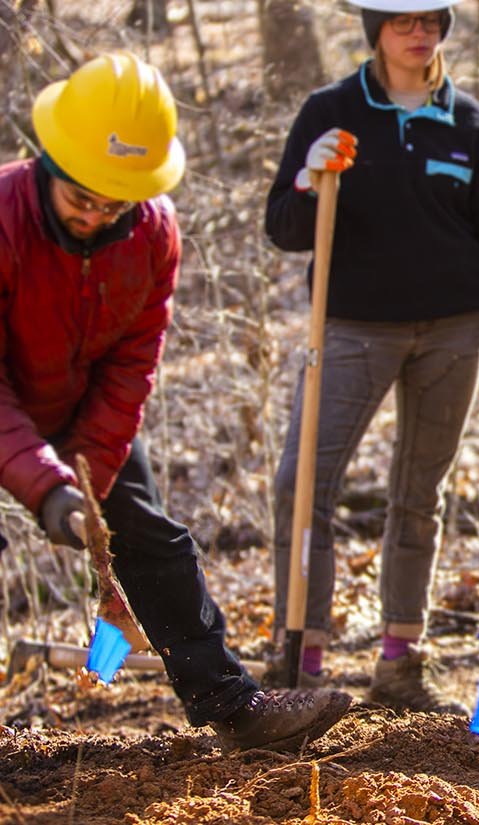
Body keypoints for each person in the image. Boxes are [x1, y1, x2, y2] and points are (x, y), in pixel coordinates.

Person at [0, 52, 351, 751]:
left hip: (78, 404)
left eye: (114, 201)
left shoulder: (155, 233)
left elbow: (132, 365)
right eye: (81, 198)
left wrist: (88, 488)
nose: (98, 216)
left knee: (154, 539)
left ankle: (235, 706)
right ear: (49, 161)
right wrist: (46, 488)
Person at [264, 0, 479, 712]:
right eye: (403, 23)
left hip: (452, 332)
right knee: (302, 486)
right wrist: (307, 178)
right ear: (374, 31)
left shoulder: (468, 120)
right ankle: (302, 658)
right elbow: (285, 231)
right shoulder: (330, 109)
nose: (420, 35)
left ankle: (399, 661)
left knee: (419, 495)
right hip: (351, 328)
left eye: (431, 22)